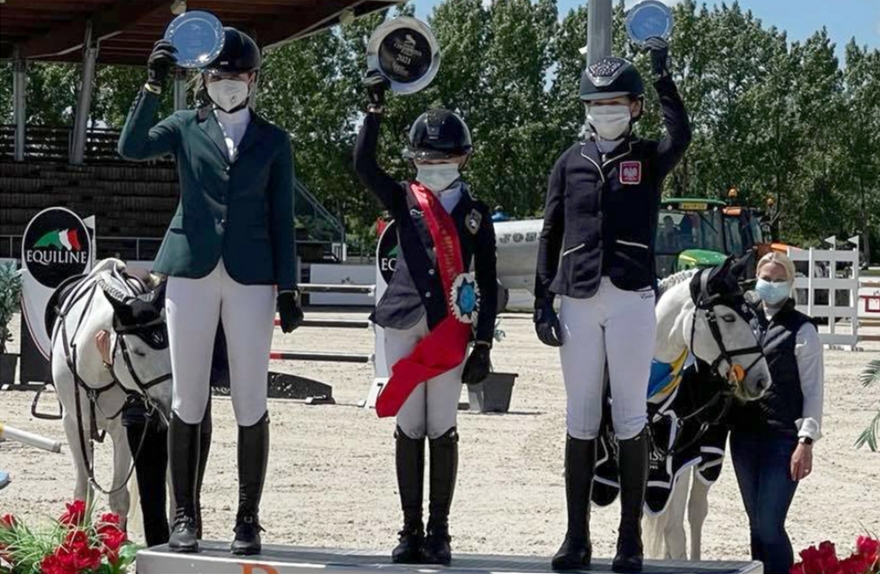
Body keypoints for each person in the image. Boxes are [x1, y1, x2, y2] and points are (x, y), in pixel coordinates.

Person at [118, 28, 304, 555]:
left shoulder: (274, 140)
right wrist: (151, 86)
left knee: (250, 396)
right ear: (205, 79)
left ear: (253, 80)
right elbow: (131, 148)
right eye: (220, 77)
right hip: (191, 269)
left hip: (251, 274)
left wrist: (289, 287)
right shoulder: (184, 125)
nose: (229, 85)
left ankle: (248, 518)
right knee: (188, 395)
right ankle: (185, 516)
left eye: (238, 77)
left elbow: (282, 217)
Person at [533, 38, 691, 573]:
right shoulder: (569, 161)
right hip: (577, 296)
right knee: (579, 418)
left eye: (617, 104)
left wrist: (663, 77)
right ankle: (576, 537)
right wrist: (541, 300)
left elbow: (682, 135)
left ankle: (629, 538)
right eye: (598, 105)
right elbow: (550, 231)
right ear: (586, 110)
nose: (607, 112)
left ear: (634, 108)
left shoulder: (647, 157)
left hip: (630, 296)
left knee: (628, 415)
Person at [354, 73, 497, 565]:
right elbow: (363, 165)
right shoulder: (404, 200)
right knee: (409, 424)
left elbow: (491, 280)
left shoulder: (477, 214)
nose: (436, 167)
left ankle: (440, 531)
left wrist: (484, 345)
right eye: (427, 159)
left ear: (464, 159)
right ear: (415, 160)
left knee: (443, 423)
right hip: (403, 319)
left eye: (446, 159)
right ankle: (409, 529)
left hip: (450, 327)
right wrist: (372, 114)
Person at [729, 252, 824, 574]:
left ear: (790, 283)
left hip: (782, 440)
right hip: (742, 436)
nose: (770, 284)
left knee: (770, 524)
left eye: (777, 279)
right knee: (756, 525)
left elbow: (813, 389)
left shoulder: (802, 329)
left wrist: (806, 441)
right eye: (765, 278)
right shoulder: (743, 321)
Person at [94, 322, 227, 547]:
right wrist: (108, 361)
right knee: (152, 500)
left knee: (186, 499)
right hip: (142, 412)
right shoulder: (130, 303)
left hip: (187, 412)